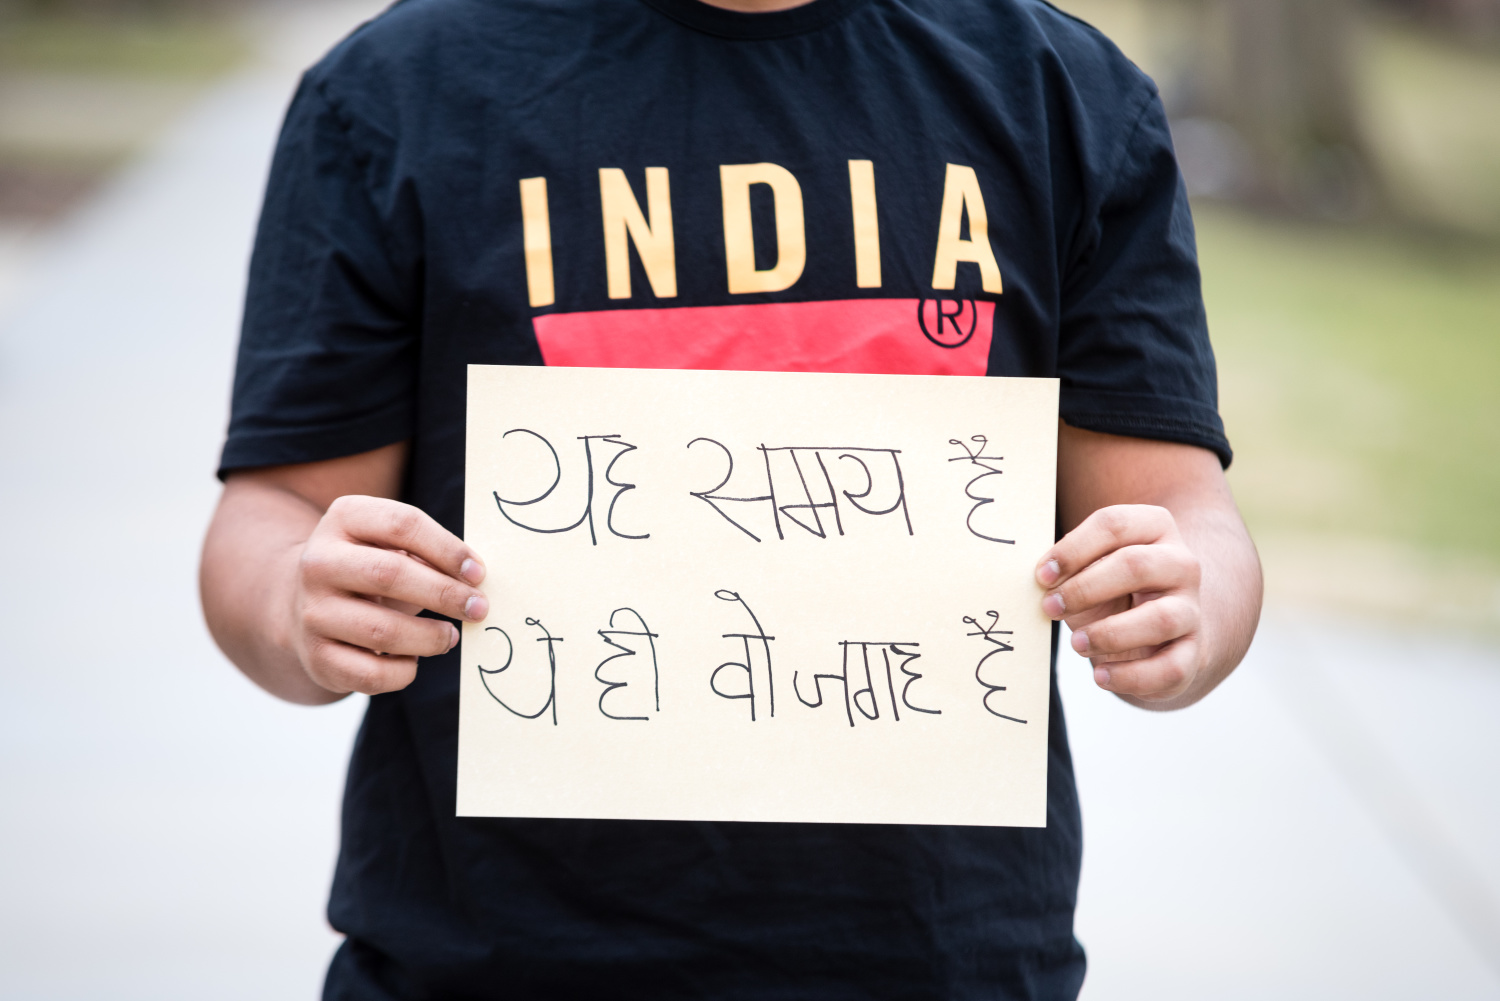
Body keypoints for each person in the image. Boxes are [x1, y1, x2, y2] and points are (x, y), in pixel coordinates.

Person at [199, 0, 1263, 996]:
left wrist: (1190, 607)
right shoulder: (397, 91)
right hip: (483, 958)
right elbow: (274, 511)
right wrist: (301, 602)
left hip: (943, 961)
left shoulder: (1060, 95)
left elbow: (1189, 510)